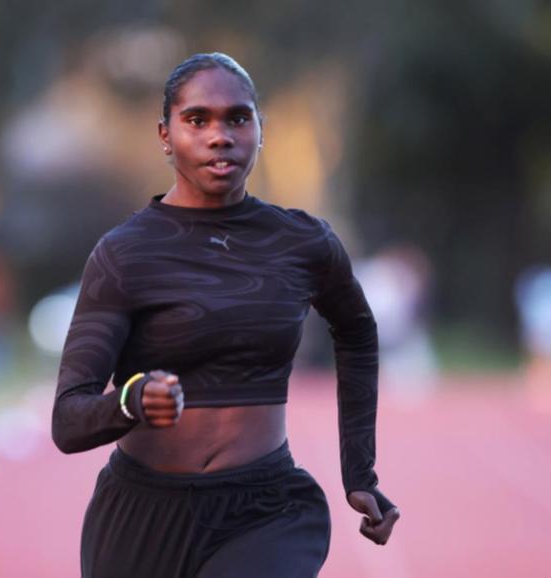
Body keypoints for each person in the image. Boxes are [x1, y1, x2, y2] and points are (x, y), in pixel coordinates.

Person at [52, 52, 399, 578]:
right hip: (143, 514)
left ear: (262, 130)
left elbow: (356, 331)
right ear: (165, 135)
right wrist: (132, 400)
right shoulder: (124, 255)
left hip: (266, 508)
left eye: (238, 118)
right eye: (198, 120)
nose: (221, 135)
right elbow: (68, 421)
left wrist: (359, 471)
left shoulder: (302, 242)